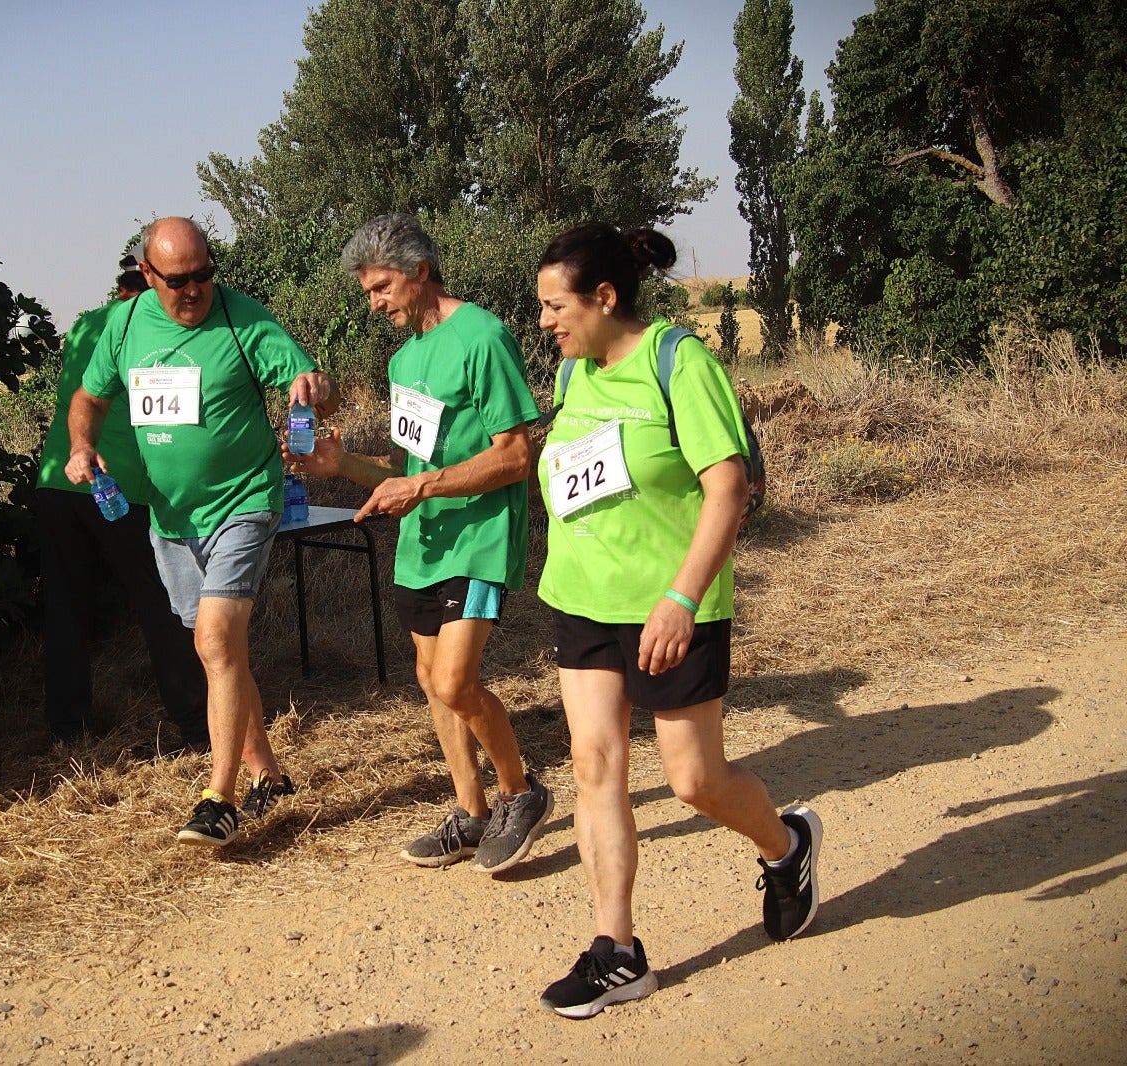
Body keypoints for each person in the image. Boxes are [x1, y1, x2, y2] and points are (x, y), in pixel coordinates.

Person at [531, 222, 822, 1018]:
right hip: (583, 598)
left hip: (672, 610)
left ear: (604, 296)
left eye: (557, 307)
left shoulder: (677, 362)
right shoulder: (571, 378)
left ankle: (785, 846)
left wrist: (683, 598)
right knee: (596, 769)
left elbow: (727, 488)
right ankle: (617, 951)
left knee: (694, 781)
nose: (547, 323)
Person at [284, 213, 553, 875]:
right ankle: (471, 815)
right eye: (368, 291)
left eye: (380, 288)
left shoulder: (483, 336)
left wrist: (425, 486)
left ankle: (520, 791)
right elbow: (406, 477)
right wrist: (341, 467)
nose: (373, 303)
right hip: (423, 543)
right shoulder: (405, 359)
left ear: (420, 273)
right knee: (433, 681)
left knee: (459, 680)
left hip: (480, 536)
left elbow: (516, 456)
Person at [65, 216, 339, 847]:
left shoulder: (243, 319)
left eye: (205, 275)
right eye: (180, 280)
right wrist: (82, 446)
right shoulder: (126, 324)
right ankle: (269, 774)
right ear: (148, 275)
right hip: (171, 517)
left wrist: (315, 389)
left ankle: (219, 797)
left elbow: (310, 387)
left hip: (245, 500)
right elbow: (90, 399)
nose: (195, 290)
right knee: (223, 654)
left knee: (215, 642)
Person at [34, 266, 209, 749]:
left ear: (119, 289)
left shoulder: (87, 323)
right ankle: (195, 723)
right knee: (163, 605)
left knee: (65, 610)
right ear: (151, 290)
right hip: (119, 487)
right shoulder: (145, 329)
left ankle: (67, 728)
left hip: (58, 481)